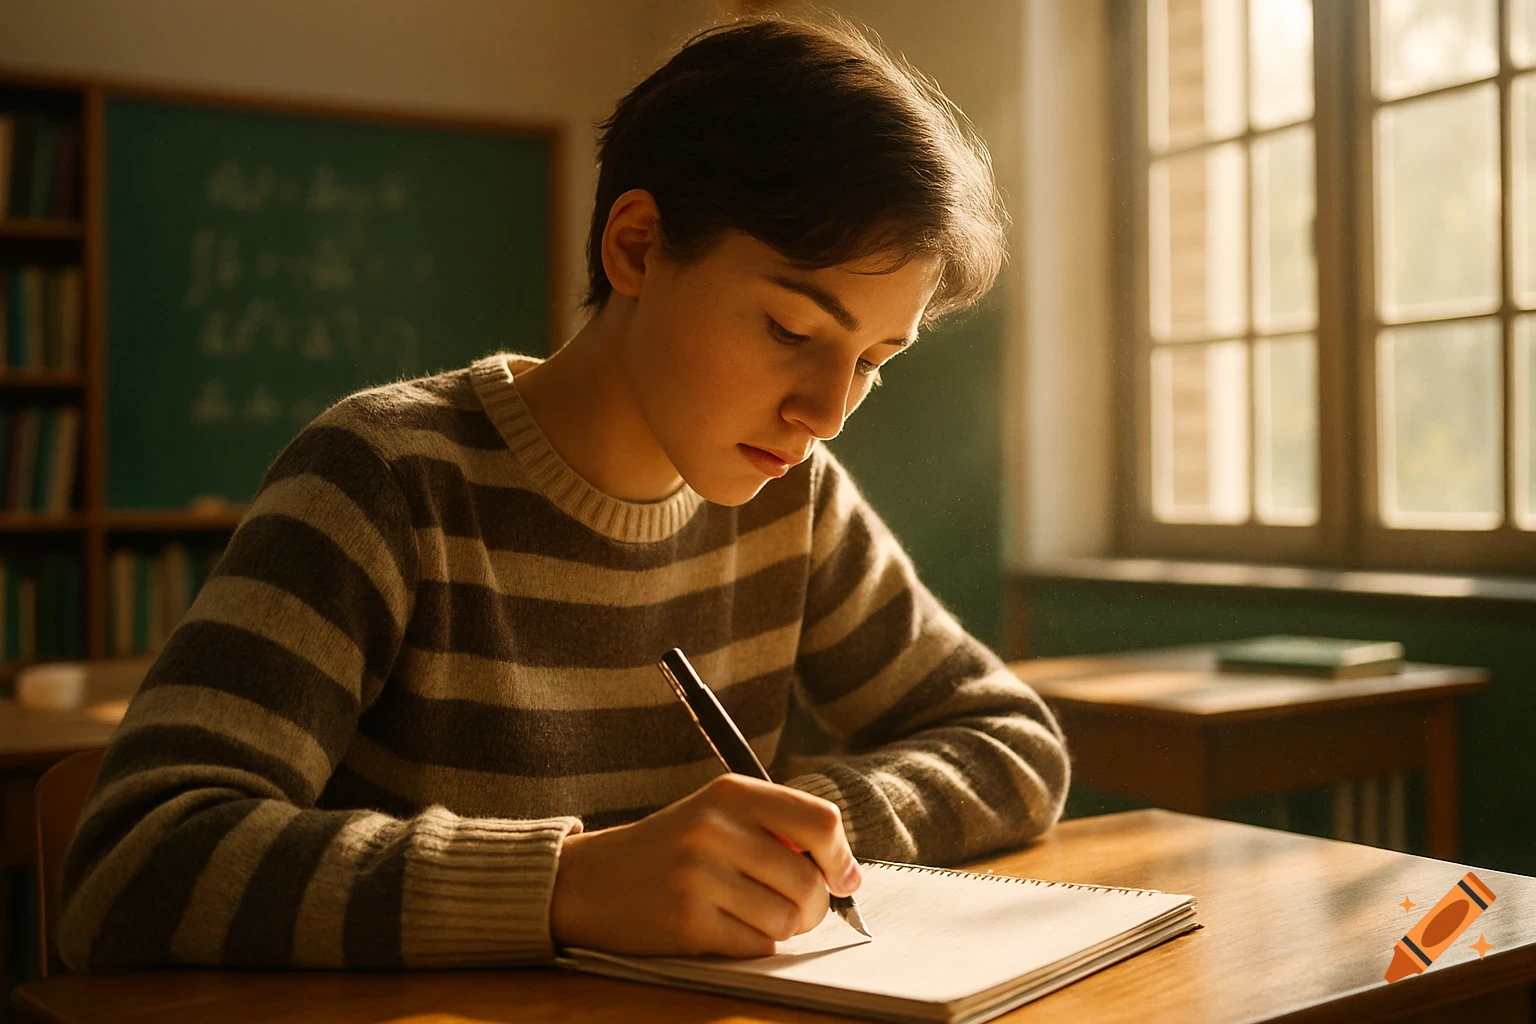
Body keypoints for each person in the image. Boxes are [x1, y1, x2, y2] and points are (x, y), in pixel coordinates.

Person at [59, 10, 1070, 970]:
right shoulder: (389, 477)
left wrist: (807, 831)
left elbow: (1013, 743)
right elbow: (130, 863)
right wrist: (566, 884)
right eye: (791, 333)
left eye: (872, 359)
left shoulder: (792, 500)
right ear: (635, 248)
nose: (828, 411)